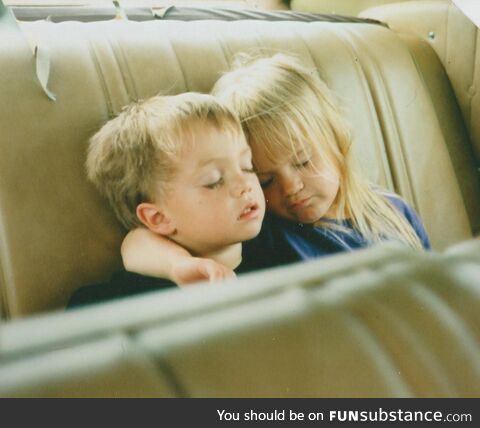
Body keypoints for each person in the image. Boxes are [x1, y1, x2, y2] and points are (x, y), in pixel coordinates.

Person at [121, 53, 430, 286]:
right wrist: (178, 265)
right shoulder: (268, 231)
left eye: (303, 162)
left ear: (336, 140)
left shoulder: (393, 211)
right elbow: (138, 241)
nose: (291, 187)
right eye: (265, 179)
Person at [68, 93, 266, 308]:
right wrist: (180, 265)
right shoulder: (132, 300)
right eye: (214, 181)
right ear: (159, 217)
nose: (244, 184)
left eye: (247, 166)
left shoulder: (279, 241)